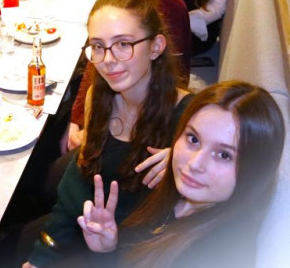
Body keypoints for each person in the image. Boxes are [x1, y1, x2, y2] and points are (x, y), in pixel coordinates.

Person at [23, 0, 192, 267]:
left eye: (124, 44)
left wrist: (183, 170)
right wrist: (43, 254)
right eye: (98, 47)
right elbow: (78, 183)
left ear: (156, 47)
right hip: (91, 229)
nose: (108, 60)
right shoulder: (98, 98)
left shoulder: (190, 122)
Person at [78, 81, 285, 268]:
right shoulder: (177, 195)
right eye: (193, 139)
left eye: (224, 155)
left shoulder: (219, 254)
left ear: (254, 170)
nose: (194, 164)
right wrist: (105, 251)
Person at [64, 0, 192, 153]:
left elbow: (175, 80)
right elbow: (95, 63)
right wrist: (77, 119)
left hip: (147, 121)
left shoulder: (167, 5)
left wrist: (95, 128)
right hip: (109, 95)